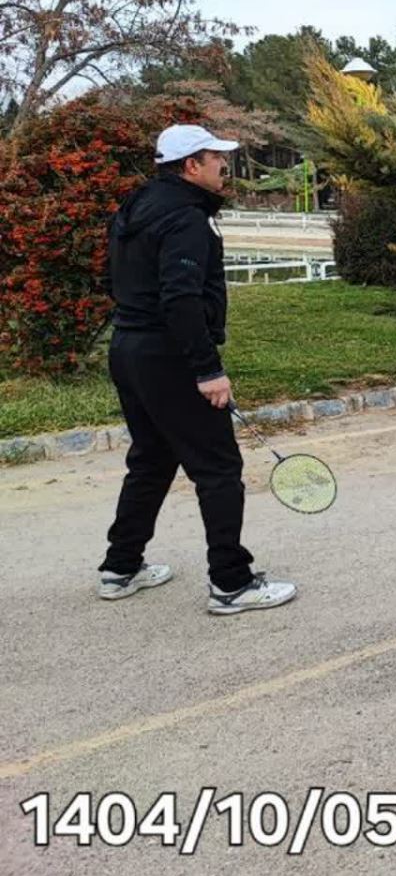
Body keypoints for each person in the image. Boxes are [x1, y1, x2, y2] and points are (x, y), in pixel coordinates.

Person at [98, 125, 297, 614]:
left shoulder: (136, 206)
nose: (223, 165)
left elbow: (112, 278)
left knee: (151, 459)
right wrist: (207, 369)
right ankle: (231, 583)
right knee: (219, 469)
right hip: (169, 356)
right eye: (215, 157)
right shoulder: (187, 216)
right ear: (191, 165)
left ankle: (120, 567)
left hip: (128, 349)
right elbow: (181, 299)